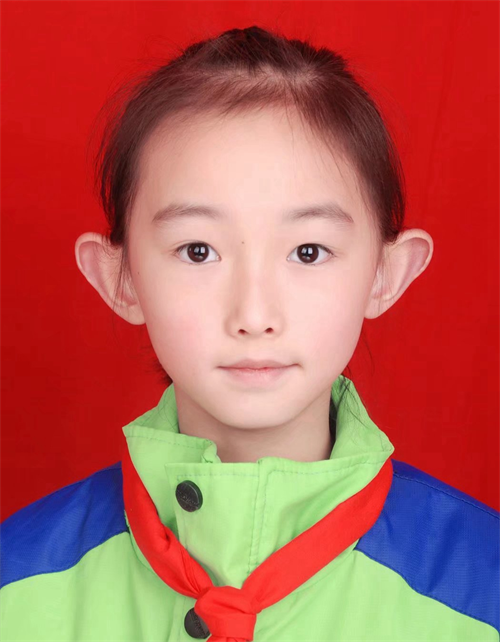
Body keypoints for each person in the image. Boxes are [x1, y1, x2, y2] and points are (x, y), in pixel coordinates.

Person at [0, 25, 498, 642]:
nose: (254, 314)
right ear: (120, 279)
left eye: (309, 252)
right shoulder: (15, 588)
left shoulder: (483, 592)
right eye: (198, 250)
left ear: (385, 274)